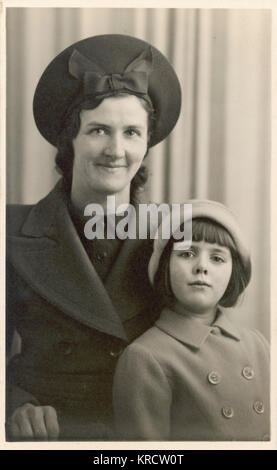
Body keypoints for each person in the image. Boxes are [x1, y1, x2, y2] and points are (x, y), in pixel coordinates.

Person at [6, 34, 181, 441]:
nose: (116, 150)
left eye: (132, 133)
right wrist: (14, 405)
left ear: (146, 144)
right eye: (99, 130)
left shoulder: (174, 236)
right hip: (49, 435)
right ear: (71, 139)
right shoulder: (10, 234)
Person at [113, 200, 270, 441]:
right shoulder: (145, 357)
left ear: (233, 272)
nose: (201, 268)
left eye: (217, 258)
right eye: (187, 253)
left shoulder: (258, 346)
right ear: (165, 266)